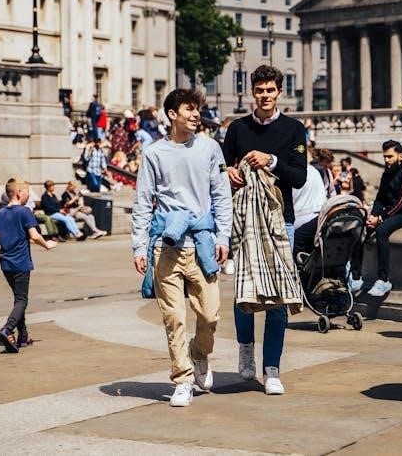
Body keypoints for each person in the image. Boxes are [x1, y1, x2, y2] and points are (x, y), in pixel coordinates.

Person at [132, 88, 232, 407]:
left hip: (202, 243)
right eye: (189, 109)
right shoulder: (154, 154)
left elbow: (222, 194)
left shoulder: (210, 148)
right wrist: (138, 246)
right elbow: (143, 202)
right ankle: (183, 379)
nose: (196, 114)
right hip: (166, 246)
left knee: (210, 315)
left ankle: (199, 353)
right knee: (173, 317)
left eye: (197, 108)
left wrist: (223, 237)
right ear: (172, 114)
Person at [222, 65, 307, 396]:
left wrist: (271, 160)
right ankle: (246, 348)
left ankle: (272, 368)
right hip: (244, 220)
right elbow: (221, 165)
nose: (265, 95)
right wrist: (228, 172)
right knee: (244, 288)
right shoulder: (237, 129)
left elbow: (299, 177)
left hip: (281, 219)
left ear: (279, 92)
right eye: (260, 90)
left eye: (270, 90)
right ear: (252, 92)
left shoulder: (294, 130)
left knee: (279, 298)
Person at [0, 179, 57, 353]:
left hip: (5, 264)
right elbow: (34, 235)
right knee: (22, 300)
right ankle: (7, 329)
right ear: (18, 193)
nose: (29, 195)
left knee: (18, 299)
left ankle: (23, 335)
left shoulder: (0, 213)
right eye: (27, 192)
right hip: (21, 263)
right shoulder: (24, 212)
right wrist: (47, 245)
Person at [362, 140, 402, 297]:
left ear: (400, 156)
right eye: (384, 156)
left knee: (382, 230)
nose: (386, 160)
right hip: (392, 211)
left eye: (390, 156)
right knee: (362, 226)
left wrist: (380, 218)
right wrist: (373, 215)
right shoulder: (387, 172)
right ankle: (356, 276)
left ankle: (383, 279)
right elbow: (380, 198)